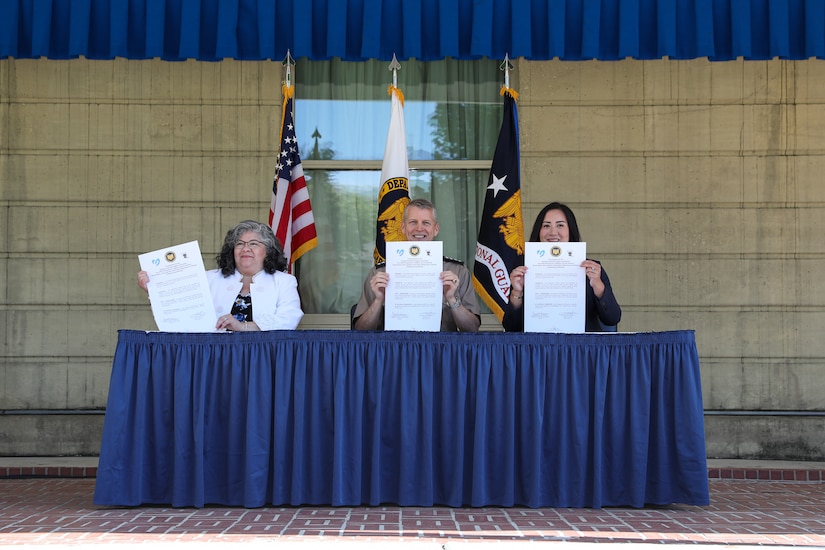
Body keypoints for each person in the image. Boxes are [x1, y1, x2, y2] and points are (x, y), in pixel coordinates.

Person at [137, 220, 303, 331]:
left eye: (253, 244)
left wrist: (242, 326)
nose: (245, 249)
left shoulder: (284, 282)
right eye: (239, 244)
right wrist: (155, 291)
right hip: (214, 358)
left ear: (267, 251)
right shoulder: (208, 278)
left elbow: (289, 318)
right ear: (232, 251)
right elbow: (182, 312)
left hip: (262, 358)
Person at [353, 198, 481, 332]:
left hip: (441, 349)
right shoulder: (380, 273)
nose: (419, 228)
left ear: (436, 229)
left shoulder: (457, 271)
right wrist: (378, 300)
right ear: (403, 227)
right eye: (413, 222)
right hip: (393, 348)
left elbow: (472, 328)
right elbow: (360, 330)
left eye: (426, 223)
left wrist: (452, 299)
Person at [503, 202, 621, 332]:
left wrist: (598, 286)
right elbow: (511, 327)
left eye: (560, 225)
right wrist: (517, 292)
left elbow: (612, 319)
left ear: (570, 230)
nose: (553, 232)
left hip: (581, 348)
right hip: (538, 348)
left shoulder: (592, 269)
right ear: (539, 231)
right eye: (546, 226)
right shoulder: (525, 269)